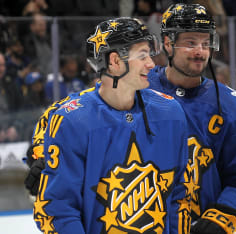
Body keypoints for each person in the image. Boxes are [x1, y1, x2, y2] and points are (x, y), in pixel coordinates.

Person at [31, 17, 190, 233]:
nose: (151, 64)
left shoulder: (171, 113)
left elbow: (179, 196)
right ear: (115, 61)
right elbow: (58, 208)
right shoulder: (73, 120)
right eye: (142, 55)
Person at [149, 3, 236, 233]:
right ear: (168, 44)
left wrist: (223, 215)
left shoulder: (232, 106)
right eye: (190, 43)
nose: (200, 51)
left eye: (206, 43)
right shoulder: (138, 89)